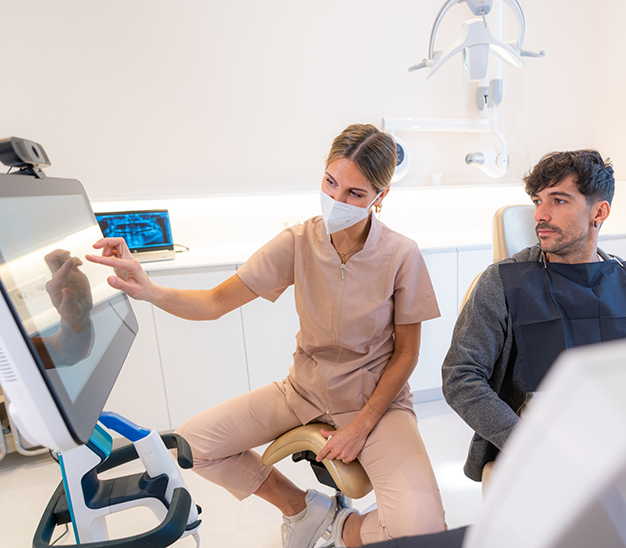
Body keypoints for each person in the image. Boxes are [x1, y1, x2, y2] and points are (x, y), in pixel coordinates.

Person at [86, 124, 446, 548]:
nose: (336, 200)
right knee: (194, 445)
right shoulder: (298, 241)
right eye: (330, 182)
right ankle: (304, 510)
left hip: (375, 404)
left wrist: (362, 426)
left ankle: (338, 529)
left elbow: (406, 355)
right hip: (303, 391)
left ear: (380, 198)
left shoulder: (402, 255)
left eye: (355, 193)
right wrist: (150, 290)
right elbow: (215, 302)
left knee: (423, 533)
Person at [442, 149, 626, 482]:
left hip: (622, 448)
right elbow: (460, 377)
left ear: (599, 212)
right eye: (537, 201)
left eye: (558, 201)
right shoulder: (503, 282)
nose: (541, 215)